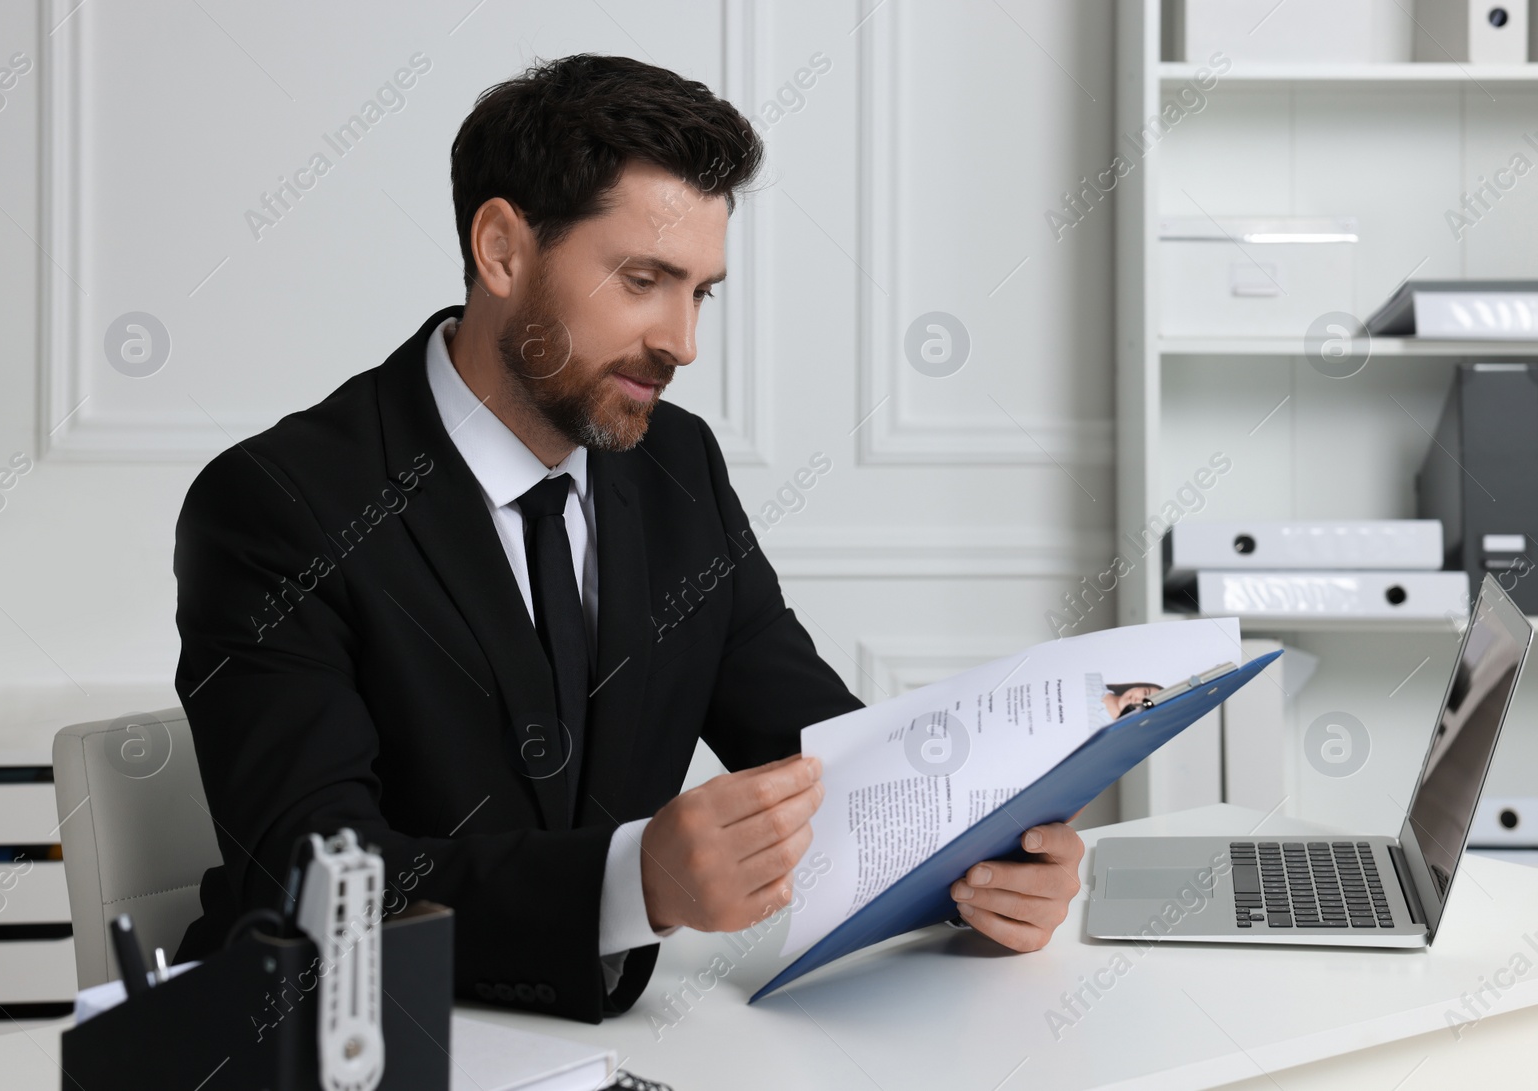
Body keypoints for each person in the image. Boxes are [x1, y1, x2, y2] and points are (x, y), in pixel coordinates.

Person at [172, 53, 1083, 1023]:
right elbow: (314, 875)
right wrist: (631, 882)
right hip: (350, 1042)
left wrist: (981, 858)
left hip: (608, 1048)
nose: (680, 341)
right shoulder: (278, 503)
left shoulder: (673, 466)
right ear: (501, 249)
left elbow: (820, 754)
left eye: (700, 292)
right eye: (643, 279)